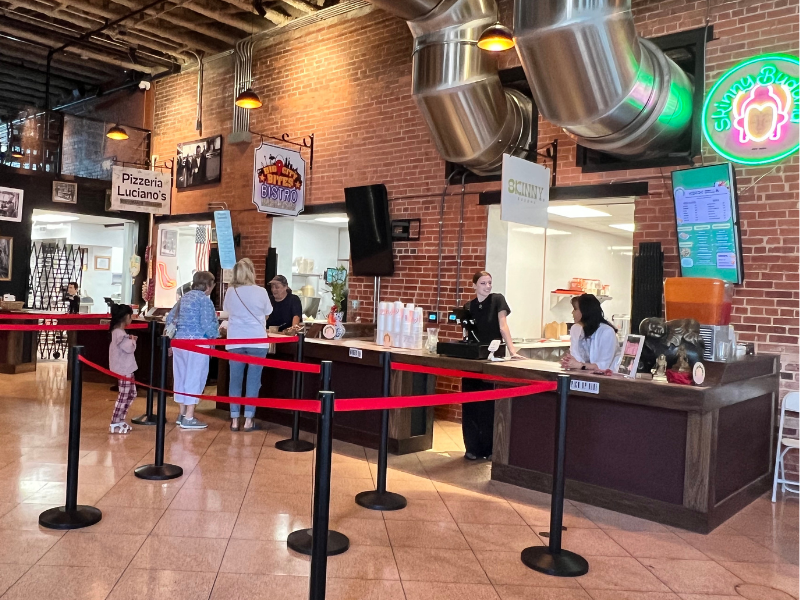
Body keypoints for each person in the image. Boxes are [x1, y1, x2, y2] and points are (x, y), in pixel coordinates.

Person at [461, 271, 523, 461]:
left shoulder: (498, 300)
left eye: (489, 282)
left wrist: (512, 351)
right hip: (473, 359)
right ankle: (471, 447)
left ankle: (488, 448)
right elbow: (467, 332)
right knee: (470, 403)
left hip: (492, 358)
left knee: (489, 405)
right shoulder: (468, 306)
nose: (487, 286)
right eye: (483, 283)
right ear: (474, 285)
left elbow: (503, 326)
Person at [223, 258, 273, 432]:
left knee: (234, 381)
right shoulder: (261, 292)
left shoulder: (231, 291)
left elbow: (227, 311)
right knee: (253, 382)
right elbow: (268, 313)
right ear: (251, 272)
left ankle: (235, 419)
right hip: (257, 341)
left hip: (235, 340)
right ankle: (248, 420)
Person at [166, 271, 219, 429]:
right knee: (195, 377)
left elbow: (170, 319)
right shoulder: (204, 300)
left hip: (179, 343)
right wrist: (215, 335)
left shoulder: (184, 298)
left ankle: (181, 413)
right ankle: (189, 417)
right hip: (197, 343)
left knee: (181, 377)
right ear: (208, 286)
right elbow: (207, 324)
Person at [561, 293, 620, 372]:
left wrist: (580, 365)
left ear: (585, 311)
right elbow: (575, 356)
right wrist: (568, 362)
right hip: (583, 375)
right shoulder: (575, 329)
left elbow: (604, 365)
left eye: (575, 309)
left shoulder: (607, 332)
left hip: (606, 378)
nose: (572, 312)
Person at [108, 304, 137, 434]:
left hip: (126, 368)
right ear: (126, 317)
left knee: (131, 394)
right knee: (124, 396)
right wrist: (133, 341)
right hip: (124, 369)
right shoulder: (119, 333)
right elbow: (129, 348)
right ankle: (115, 421)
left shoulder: (117, 332)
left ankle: (120, 419)